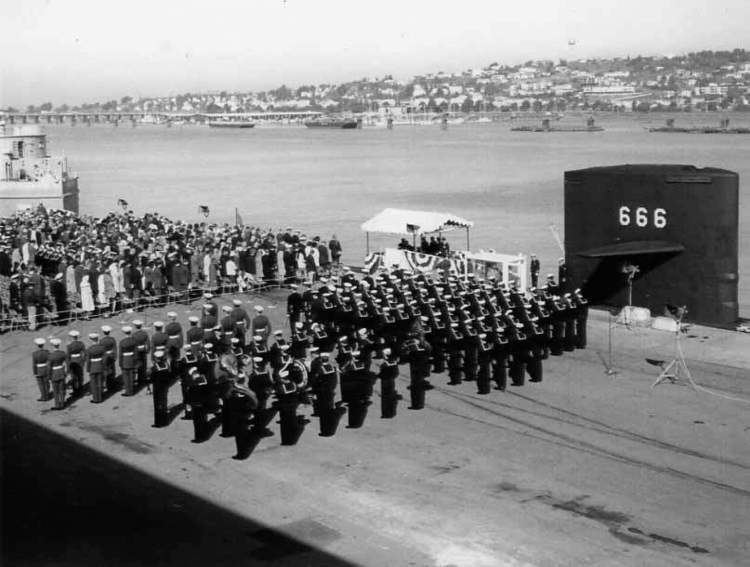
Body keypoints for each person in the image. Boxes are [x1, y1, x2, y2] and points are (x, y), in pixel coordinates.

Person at [151, 350, 172, 427]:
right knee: (164, 403)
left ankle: (159, 422)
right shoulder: (166, 365)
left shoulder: (155, 367)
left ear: (156, 358)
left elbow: (152, 378)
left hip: (157, 388)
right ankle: (165, 420)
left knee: (157, 406)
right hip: (165, 387)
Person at [86, 333, 107, 403]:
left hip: (93, 367)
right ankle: (100, 396)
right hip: (100, 365)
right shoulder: (102, 347)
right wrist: (103, 366)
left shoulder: (89, 349)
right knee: (100, 382)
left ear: (91, 339)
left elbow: (88, 361)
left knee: (94, 384)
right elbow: (104, 358)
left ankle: (96, 398)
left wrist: (88, 369)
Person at [48, 338, 68, 409]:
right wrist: (66, 372)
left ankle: (57, 405)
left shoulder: (50, 355)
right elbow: (67, 363)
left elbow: (49, 367)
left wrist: (49, 376)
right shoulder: (63, 353)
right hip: (61, 372)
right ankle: (62, 403)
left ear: (52, 345)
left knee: (56, 391)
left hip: (54, 374)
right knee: (62, 389)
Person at [119, 326, 138, 396]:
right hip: (132, 359)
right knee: (131, 375)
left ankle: (128, 391)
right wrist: (135, 360)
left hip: (125, 360)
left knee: (126, 377)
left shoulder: (122, 342)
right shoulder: (134, 341)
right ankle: (132, 390)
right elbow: (136, 352)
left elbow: (120, 354)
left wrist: (120, 363)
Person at [66, 330, 86, 395]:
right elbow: (85, 353)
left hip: (73, 361)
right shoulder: (81, 343)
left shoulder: (69, 345)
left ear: (71, 337)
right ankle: (81, 388)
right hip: (80, 360)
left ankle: (75, 390)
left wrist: (68, 365)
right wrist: (83, 360)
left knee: (74, 376)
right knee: (80, 376)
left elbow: (68, 356)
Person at [32, 337, 51, 401]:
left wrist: (35, 372)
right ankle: (47, 395)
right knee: (46, 383)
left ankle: (43, 396)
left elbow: (34, 364)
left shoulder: (35, 353)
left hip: (39, 370)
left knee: (41, 384)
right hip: (45, 369)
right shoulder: (47, 352)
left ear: (37, 345)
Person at [99, 325, 118, 393]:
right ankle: (112, 384)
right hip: (111, 355)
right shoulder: (112, 339)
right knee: (112, 370)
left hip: (105, 357)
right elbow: (115, 348)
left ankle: (107, 384)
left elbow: (101, 350)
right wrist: (115, 356)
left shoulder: (102, 341)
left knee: (106, 370)